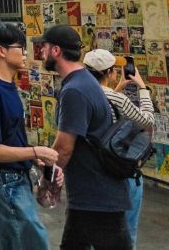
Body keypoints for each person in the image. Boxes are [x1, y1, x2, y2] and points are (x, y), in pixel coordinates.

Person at [37, 25, 130, 250]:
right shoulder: (83, 81)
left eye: (44, 47)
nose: (40, 52)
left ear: (56, 51)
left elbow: (65, 148)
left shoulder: (74, 90)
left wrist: (47, 178)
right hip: (89, 195)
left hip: (97, 197)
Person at [0, 21, 57, 250]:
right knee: (30, 240)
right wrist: (34, 151)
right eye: (20, 47)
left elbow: (9, 137)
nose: (25, 53)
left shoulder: (7, 85)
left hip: (18, 177)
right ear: (1, 51)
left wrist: (34, 159)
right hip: (6, 181)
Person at [83, 49, 154, 247]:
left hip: (91, 170)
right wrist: (142, 87)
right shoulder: (117, 99)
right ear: (110, 72)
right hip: (117, 167)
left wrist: (119, 87)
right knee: (125, 228)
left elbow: (104, 103)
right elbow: (146, 119)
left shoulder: (80, 93)